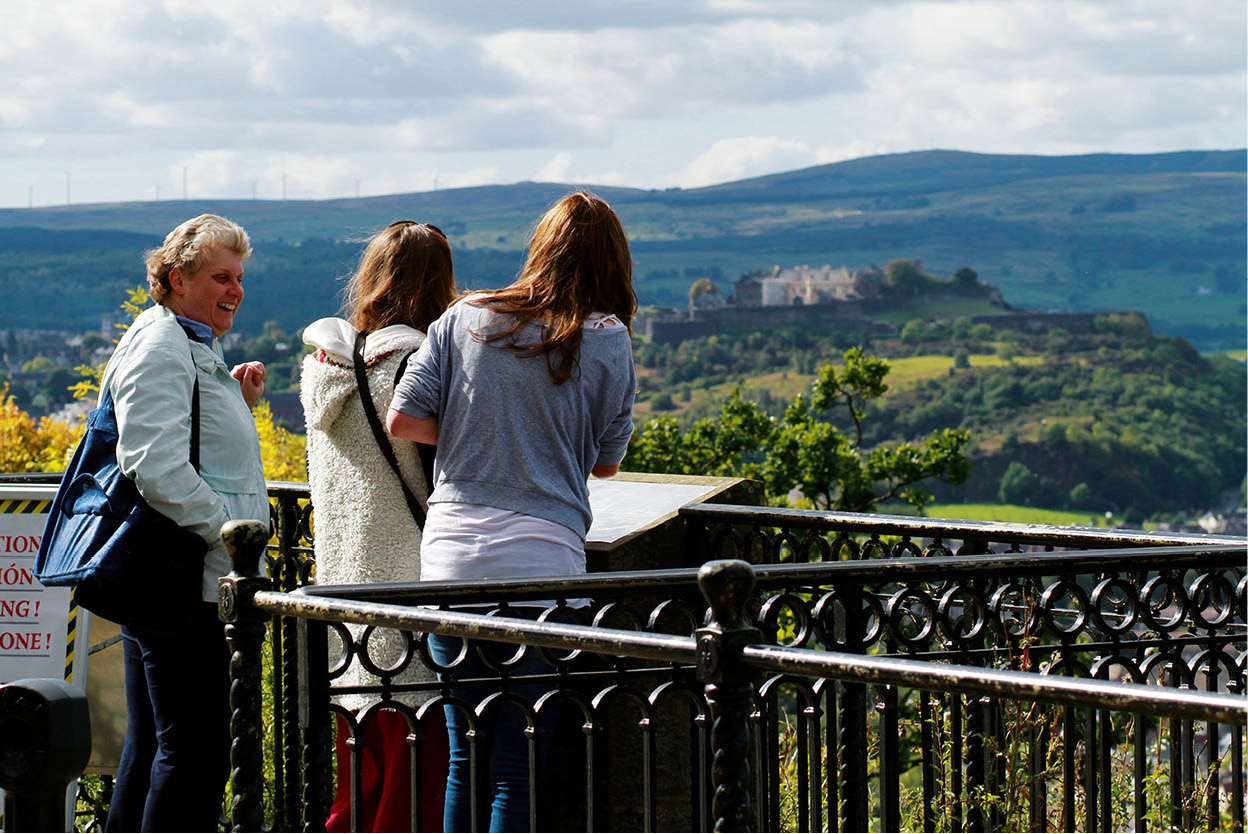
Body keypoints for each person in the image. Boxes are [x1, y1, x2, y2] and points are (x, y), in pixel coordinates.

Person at [387, 191, 637, 832]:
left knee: (463, 757)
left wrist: (480, 432)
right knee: (515, 768)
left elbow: (404, 419)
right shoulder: (607, 338)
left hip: (449, 562)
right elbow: (606, 463)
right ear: (613, 262)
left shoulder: (464, 317)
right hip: (541, 567)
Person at [103, 214, 270, 832]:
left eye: (240, 278)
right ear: (176, 279)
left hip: (179, 575)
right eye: (221, 277)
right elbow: (154, 465)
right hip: (182, 578)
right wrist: (227, 528)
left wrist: (237, 402)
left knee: (154, 749)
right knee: (195, 752)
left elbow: (189, 446)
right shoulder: (161, 345)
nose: (236, 290)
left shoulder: (186, 342)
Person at [300, 220, 458, 832]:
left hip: (344, 588)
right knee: (415, 770)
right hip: (413, 585)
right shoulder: (418, 364)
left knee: (360, 767)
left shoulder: (325, 367)